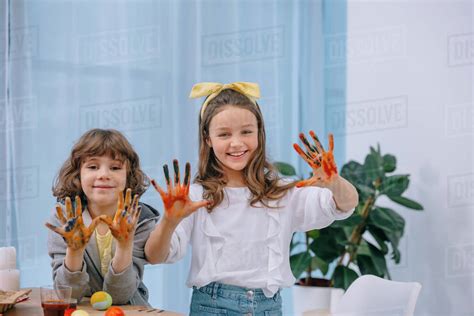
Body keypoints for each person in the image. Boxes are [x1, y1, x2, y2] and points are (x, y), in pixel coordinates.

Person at [144, 82, 359, 314]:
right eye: (224, 134)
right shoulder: (195, 197)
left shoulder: (281, 193)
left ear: (259, 132)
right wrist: (169, 221)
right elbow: (154, 256)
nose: (236, 143)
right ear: (207, 139)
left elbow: (346, 205)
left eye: (246, 131)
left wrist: (334, 182)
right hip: (212, 307)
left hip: (269, 308)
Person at [45, 128, 160, 305]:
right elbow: (68, 295)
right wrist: (74, 251)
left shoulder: (139, 219)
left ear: (128, 176)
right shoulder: (65, 219)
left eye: (115, 168)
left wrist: (125, 245)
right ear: (78, 174)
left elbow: (120, 296)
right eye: (92, 167)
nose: (104, 175)